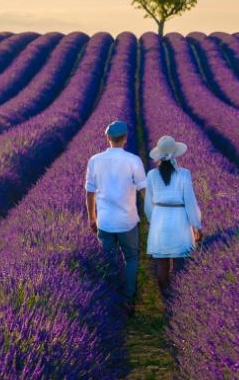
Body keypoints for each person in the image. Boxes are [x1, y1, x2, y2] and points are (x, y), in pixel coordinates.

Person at [85, 120, 146, 316]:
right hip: (127, 220)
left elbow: (89, 192)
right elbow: (144, 190)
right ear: (126, 139)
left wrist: (91, 217)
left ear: (107, 138)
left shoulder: (94, 160)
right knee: (131, 259)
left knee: (107, 261)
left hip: (106, 221)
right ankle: (128, 300)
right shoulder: (133, 160)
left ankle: (109, 301)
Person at [144, 135, 203, 296]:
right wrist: (196, 225)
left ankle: (165, 296)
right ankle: (178, 299)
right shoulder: (184, 174)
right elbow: (190, 202)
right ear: (175, 154)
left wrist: (153, 220)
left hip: (160, 219)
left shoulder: (151, 175)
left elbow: (148, 205)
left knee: (162, 264)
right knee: (180, 264)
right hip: (179, 220)